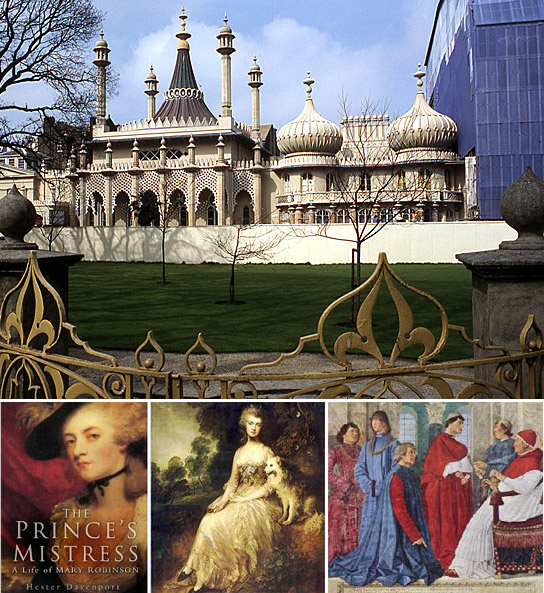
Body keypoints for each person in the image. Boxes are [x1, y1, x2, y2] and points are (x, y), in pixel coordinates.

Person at [19, 402, 148, 593]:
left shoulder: (145, 515)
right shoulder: (67, 516)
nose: (78, 451)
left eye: (92, 436)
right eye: (70, 441)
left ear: (122, 439)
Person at [176, 405, 281, 592]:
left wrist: (245, 499)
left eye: (258, 424)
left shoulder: (267, 451)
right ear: (245, 425)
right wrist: (223, 502)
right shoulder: (239, 452)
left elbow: (271, 486)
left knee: (231, 529)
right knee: (209, 520)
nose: (254, 428)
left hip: (257, 500)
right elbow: (233, 482)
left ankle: (209, 578)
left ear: (262, 427)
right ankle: (193, 568)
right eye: (251, 423)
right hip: (238, 495)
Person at [329, 443, 443, 586]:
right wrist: (415, 535)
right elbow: (399, 510)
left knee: (427, 565)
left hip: (411, 526)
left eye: (414, 452)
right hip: (397, 531)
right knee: (401, 566)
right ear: (401, 455)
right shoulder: (396, 476)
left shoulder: (412, 474)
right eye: (411, 452)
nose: (414, 455)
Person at [448, 429, 543, 579]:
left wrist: (501, 477)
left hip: (519, 505)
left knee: (480, 522)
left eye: (518, 442)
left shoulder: (533, 462)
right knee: (477, 522)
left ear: (526, 445)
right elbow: (514, 483)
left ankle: (470, 567)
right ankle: (463, 566)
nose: (514, 445)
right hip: (508, 500)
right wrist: (495, 486)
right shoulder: (522, 459)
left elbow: (525, 489)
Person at [421, 412, 472, 570]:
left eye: (463, 424)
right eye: (459, 423)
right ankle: (445, 554)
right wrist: (455, 471)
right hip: (443, 489)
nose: (461, 427)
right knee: (446, 521)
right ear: (449, 423)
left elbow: (462, 464)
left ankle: (460, 552)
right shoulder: (440, 440)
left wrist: (465, 476)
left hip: (456, 488)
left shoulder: (453, 441)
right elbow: (439, 465)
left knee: (458, 519)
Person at [353, 410, 398, 544]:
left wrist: (385, 486)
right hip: (371, 494)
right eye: (372, 420)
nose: (373, 423)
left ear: (384, 422)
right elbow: (359, 469)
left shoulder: (394, 444)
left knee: (387, 528)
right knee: (369, 527)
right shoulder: (367, 446)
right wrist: (369, 486)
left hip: (387, 494)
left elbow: (396, 469)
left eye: (376, 420)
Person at [328, 422, 365, 562]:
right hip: (343, 495)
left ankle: (357, 558)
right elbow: (328, 471)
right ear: (343, 434)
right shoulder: (336, 451)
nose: (355, 434)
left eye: (357, 432)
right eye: (352, 431)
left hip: (360, 495)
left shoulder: (362, 451)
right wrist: (344, 485)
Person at [474, 420, 516, 501]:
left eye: (497, 427)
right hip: (490, 478)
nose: (494, 430)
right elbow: (488, 460)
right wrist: (482, 470)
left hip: (500, 480)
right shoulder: (495, 444)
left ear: (505, 430)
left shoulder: (511, 444)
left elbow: (505, 463)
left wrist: (487, 466)